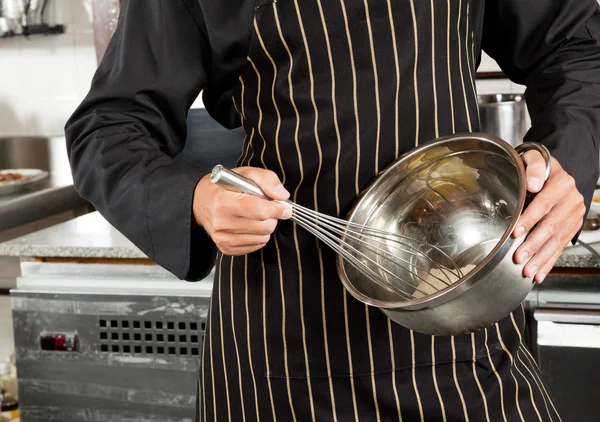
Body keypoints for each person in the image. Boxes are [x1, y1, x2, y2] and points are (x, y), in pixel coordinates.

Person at [65, 0, 600, 420]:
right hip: (285, 344)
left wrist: (567, 161)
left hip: (462, 315)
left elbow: (577, 49)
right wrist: (195, 198)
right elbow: (108, 129)